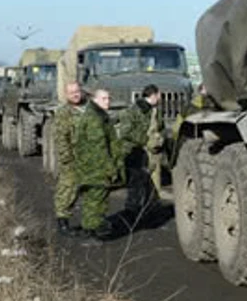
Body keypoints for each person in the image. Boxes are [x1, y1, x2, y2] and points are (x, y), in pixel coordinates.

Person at [74, 89, 118, 243]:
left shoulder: (99, 115)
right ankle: (91, 233)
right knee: (95, 200)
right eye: (104, 99)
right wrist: (110, 168)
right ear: (95, 100)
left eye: (109, 98)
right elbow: (99, 147)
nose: (108, 101)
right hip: (95, 167)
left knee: (94, 199)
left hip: (93, 166)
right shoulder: (94, 119)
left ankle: (91, 229)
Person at [117, 84, 164, 220]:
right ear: (153, 95)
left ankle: (151, 209)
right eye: (159, 95)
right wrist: (145, 140)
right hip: (136, 152)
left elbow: (160, 126)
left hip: (153, 152)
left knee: (154, 182)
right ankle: (131, 212)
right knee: (136, 184)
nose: (160, 98)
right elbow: (125, 132)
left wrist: (158, 140)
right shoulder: (133, 111)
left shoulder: (155, 111)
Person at [53, 81, 84, 236]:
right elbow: (60, 137)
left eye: (77, 91)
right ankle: (62, 222)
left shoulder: (85, 109)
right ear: (66, 95)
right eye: (72, 92)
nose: (75, 94)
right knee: (68, 188)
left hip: (86, 158)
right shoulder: (63, 113)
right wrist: (66, 157)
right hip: (71, 158)